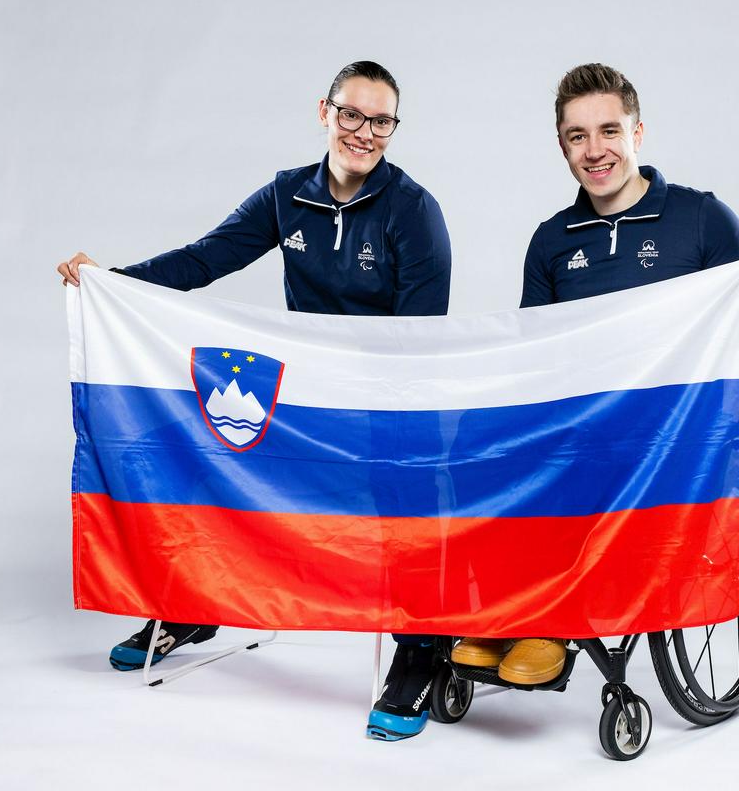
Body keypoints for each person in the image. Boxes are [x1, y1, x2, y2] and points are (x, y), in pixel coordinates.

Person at [57, 60, 451, 741]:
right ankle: (193, 606)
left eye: (381, 120)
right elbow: (206, 257)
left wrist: (369, 399)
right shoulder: (285, 193)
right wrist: (111, 283)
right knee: (209, 452)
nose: (364, 132)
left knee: (407, 508)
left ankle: (421, 649)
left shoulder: (413, 211)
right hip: (305, 394)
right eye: (351, 114)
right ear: (324, 112)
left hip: (390, 396)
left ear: (394, 128)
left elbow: (420, 338)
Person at [451, 62, 739, 685]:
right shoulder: (552, 241)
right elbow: (535, 358)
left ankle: (550, 622)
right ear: (562, 146)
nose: (595, 150)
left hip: (671, 433)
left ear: (637, 133)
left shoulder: (703, 220)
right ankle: (511, 610)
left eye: (609, 130)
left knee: (578, 460)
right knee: (478, 442)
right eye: (577, 136)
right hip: (581, 423)